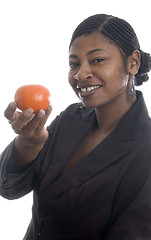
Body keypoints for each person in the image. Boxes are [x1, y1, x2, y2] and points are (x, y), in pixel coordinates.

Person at [0, 13, 151, 240]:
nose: (80, 74)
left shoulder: (145, 150)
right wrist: (28, 143)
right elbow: (8, 189)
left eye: (97, 60)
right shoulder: (71, 119)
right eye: (74, 64)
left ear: (133, 62)